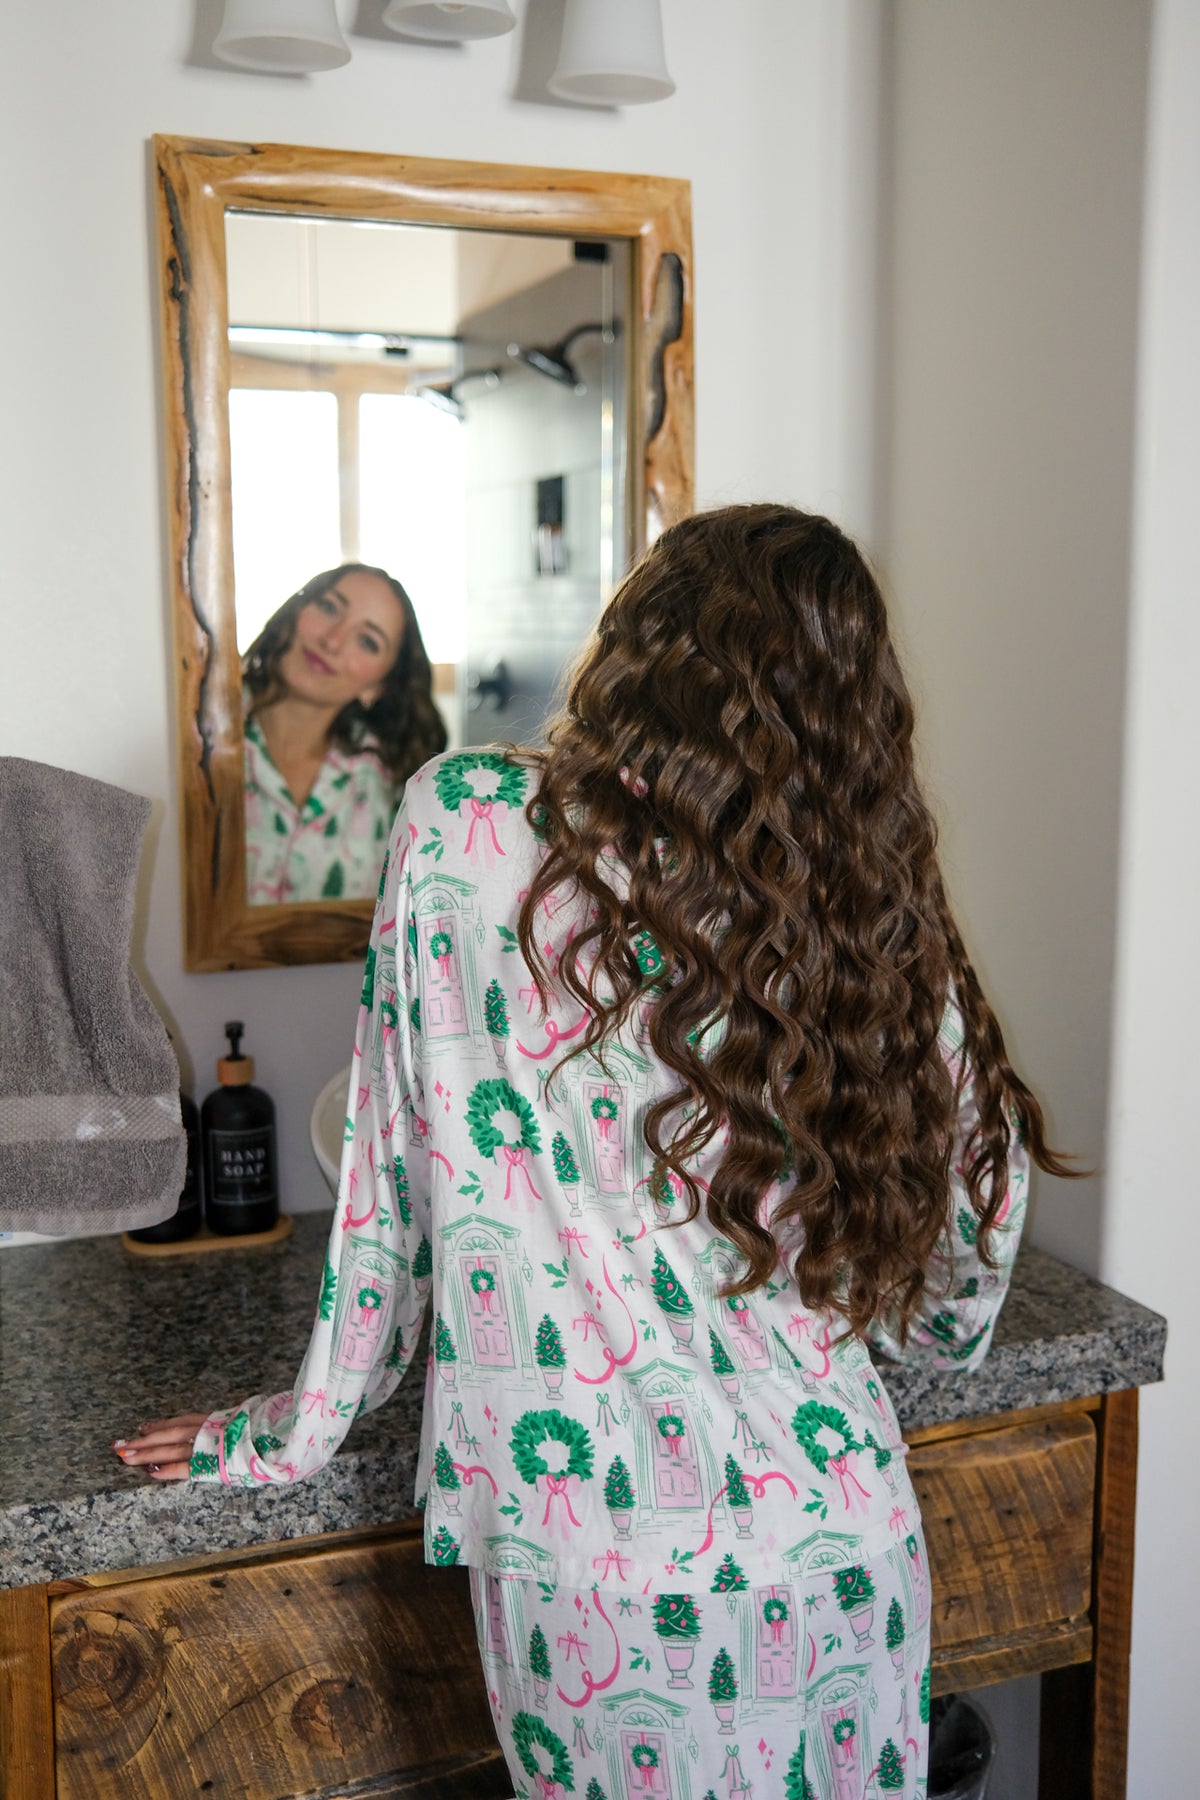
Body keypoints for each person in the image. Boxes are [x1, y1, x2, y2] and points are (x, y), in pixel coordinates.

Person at [120, 506, 1072, 1798]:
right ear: (855, 710)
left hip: (599, 1586)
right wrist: (912, 1331)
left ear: (640, 641)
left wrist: (292, 1434)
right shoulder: (857, 898)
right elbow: (978, 1206)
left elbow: (387, 1187)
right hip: (844, 1535)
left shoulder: (459, 822)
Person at [241, 562, 446, 904]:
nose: (332, 641)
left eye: (367, 641)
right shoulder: (198, 732)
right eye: (329, 607)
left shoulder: (388, 783)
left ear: (378, 686)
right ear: (296, 609)